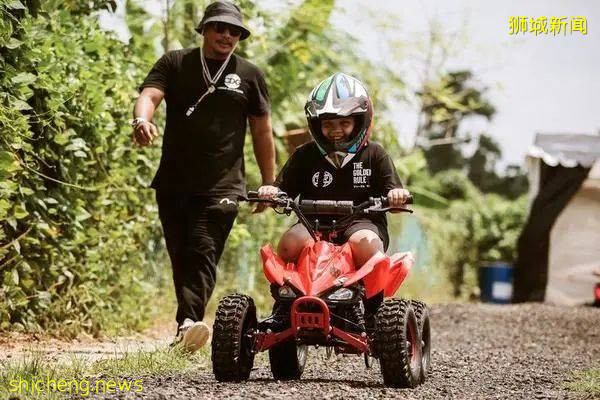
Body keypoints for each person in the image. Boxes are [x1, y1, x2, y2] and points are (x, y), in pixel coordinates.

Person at [132, 1, 275, 353]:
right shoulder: (176, 62)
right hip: (174, 181)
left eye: (234, 31)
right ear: (204, 29)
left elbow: (262, 132)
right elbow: (149, 94)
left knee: (202, 249)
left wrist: (269, 181)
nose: (227, 35)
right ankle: (188, 322)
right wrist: (141, 119)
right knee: (181, 254)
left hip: (224, 184)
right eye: (220, 28)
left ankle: (188, 323)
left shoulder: (250, 75)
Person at [258, 72, 410, 317]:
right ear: (316, 125)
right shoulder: (304, 154)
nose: (336, 130)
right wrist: (271, 192)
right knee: (287, 245)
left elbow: (394, 190)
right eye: (328, 124)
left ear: (359, 122)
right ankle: (285, 307)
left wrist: (397, 196)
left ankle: (374, 312)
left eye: (344, 123)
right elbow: (282, 188)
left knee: (365, 247)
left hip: (362, 222)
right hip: (313, 223)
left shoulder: (375, 154)